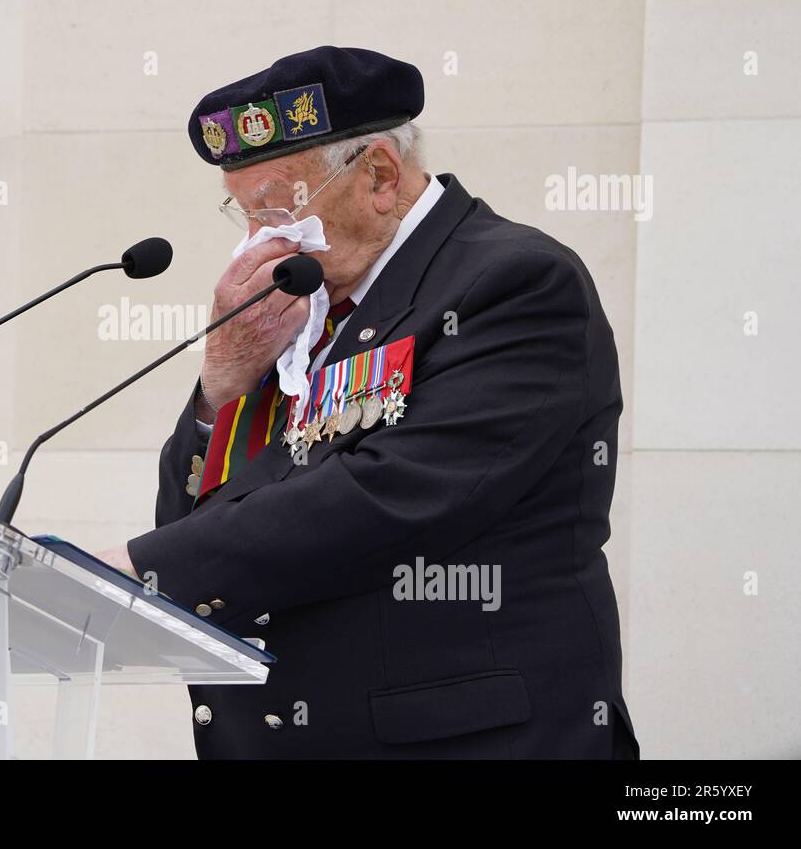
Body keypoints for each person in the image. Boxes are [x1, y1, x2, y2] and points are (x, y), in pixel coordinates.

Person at [97, 45, 639, 759]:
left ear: (379, 174)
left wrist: (142, 567)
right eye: (245, 211)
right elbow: (198, 513)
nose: (260, 238)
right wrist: (221, 384)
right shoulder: (298, 306)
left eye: (278, 205)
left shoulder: (515, 283)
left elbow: (390, 496)